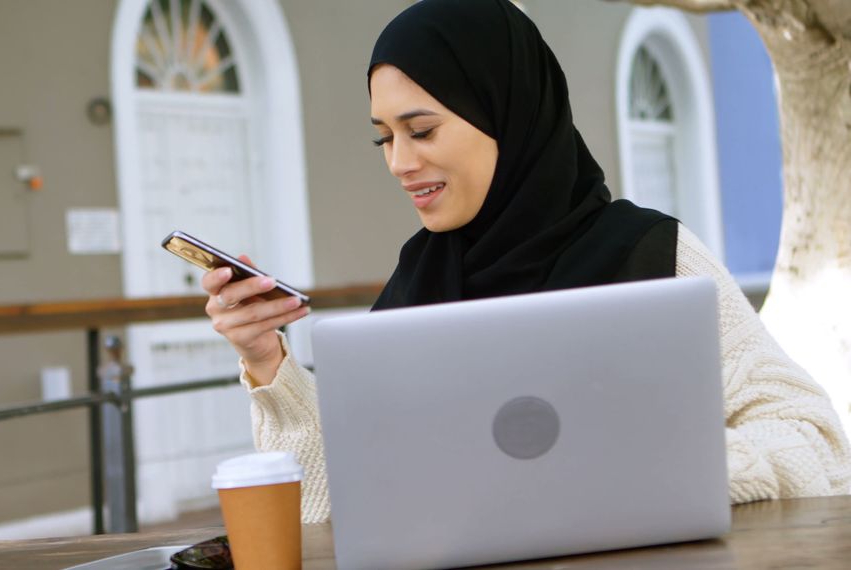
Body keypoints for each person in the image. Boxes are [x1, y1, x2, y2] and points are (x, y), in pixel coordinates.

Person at [200, 0, 850, 524]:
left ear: (506, 115)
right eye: (385, 137)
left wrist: (660, 474)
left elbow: (812, 441)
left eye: (421, 130)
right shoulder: (416, 283)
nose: (399, 162)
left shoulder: (651, 254)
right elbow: (333, 504)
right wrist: (268, 363)